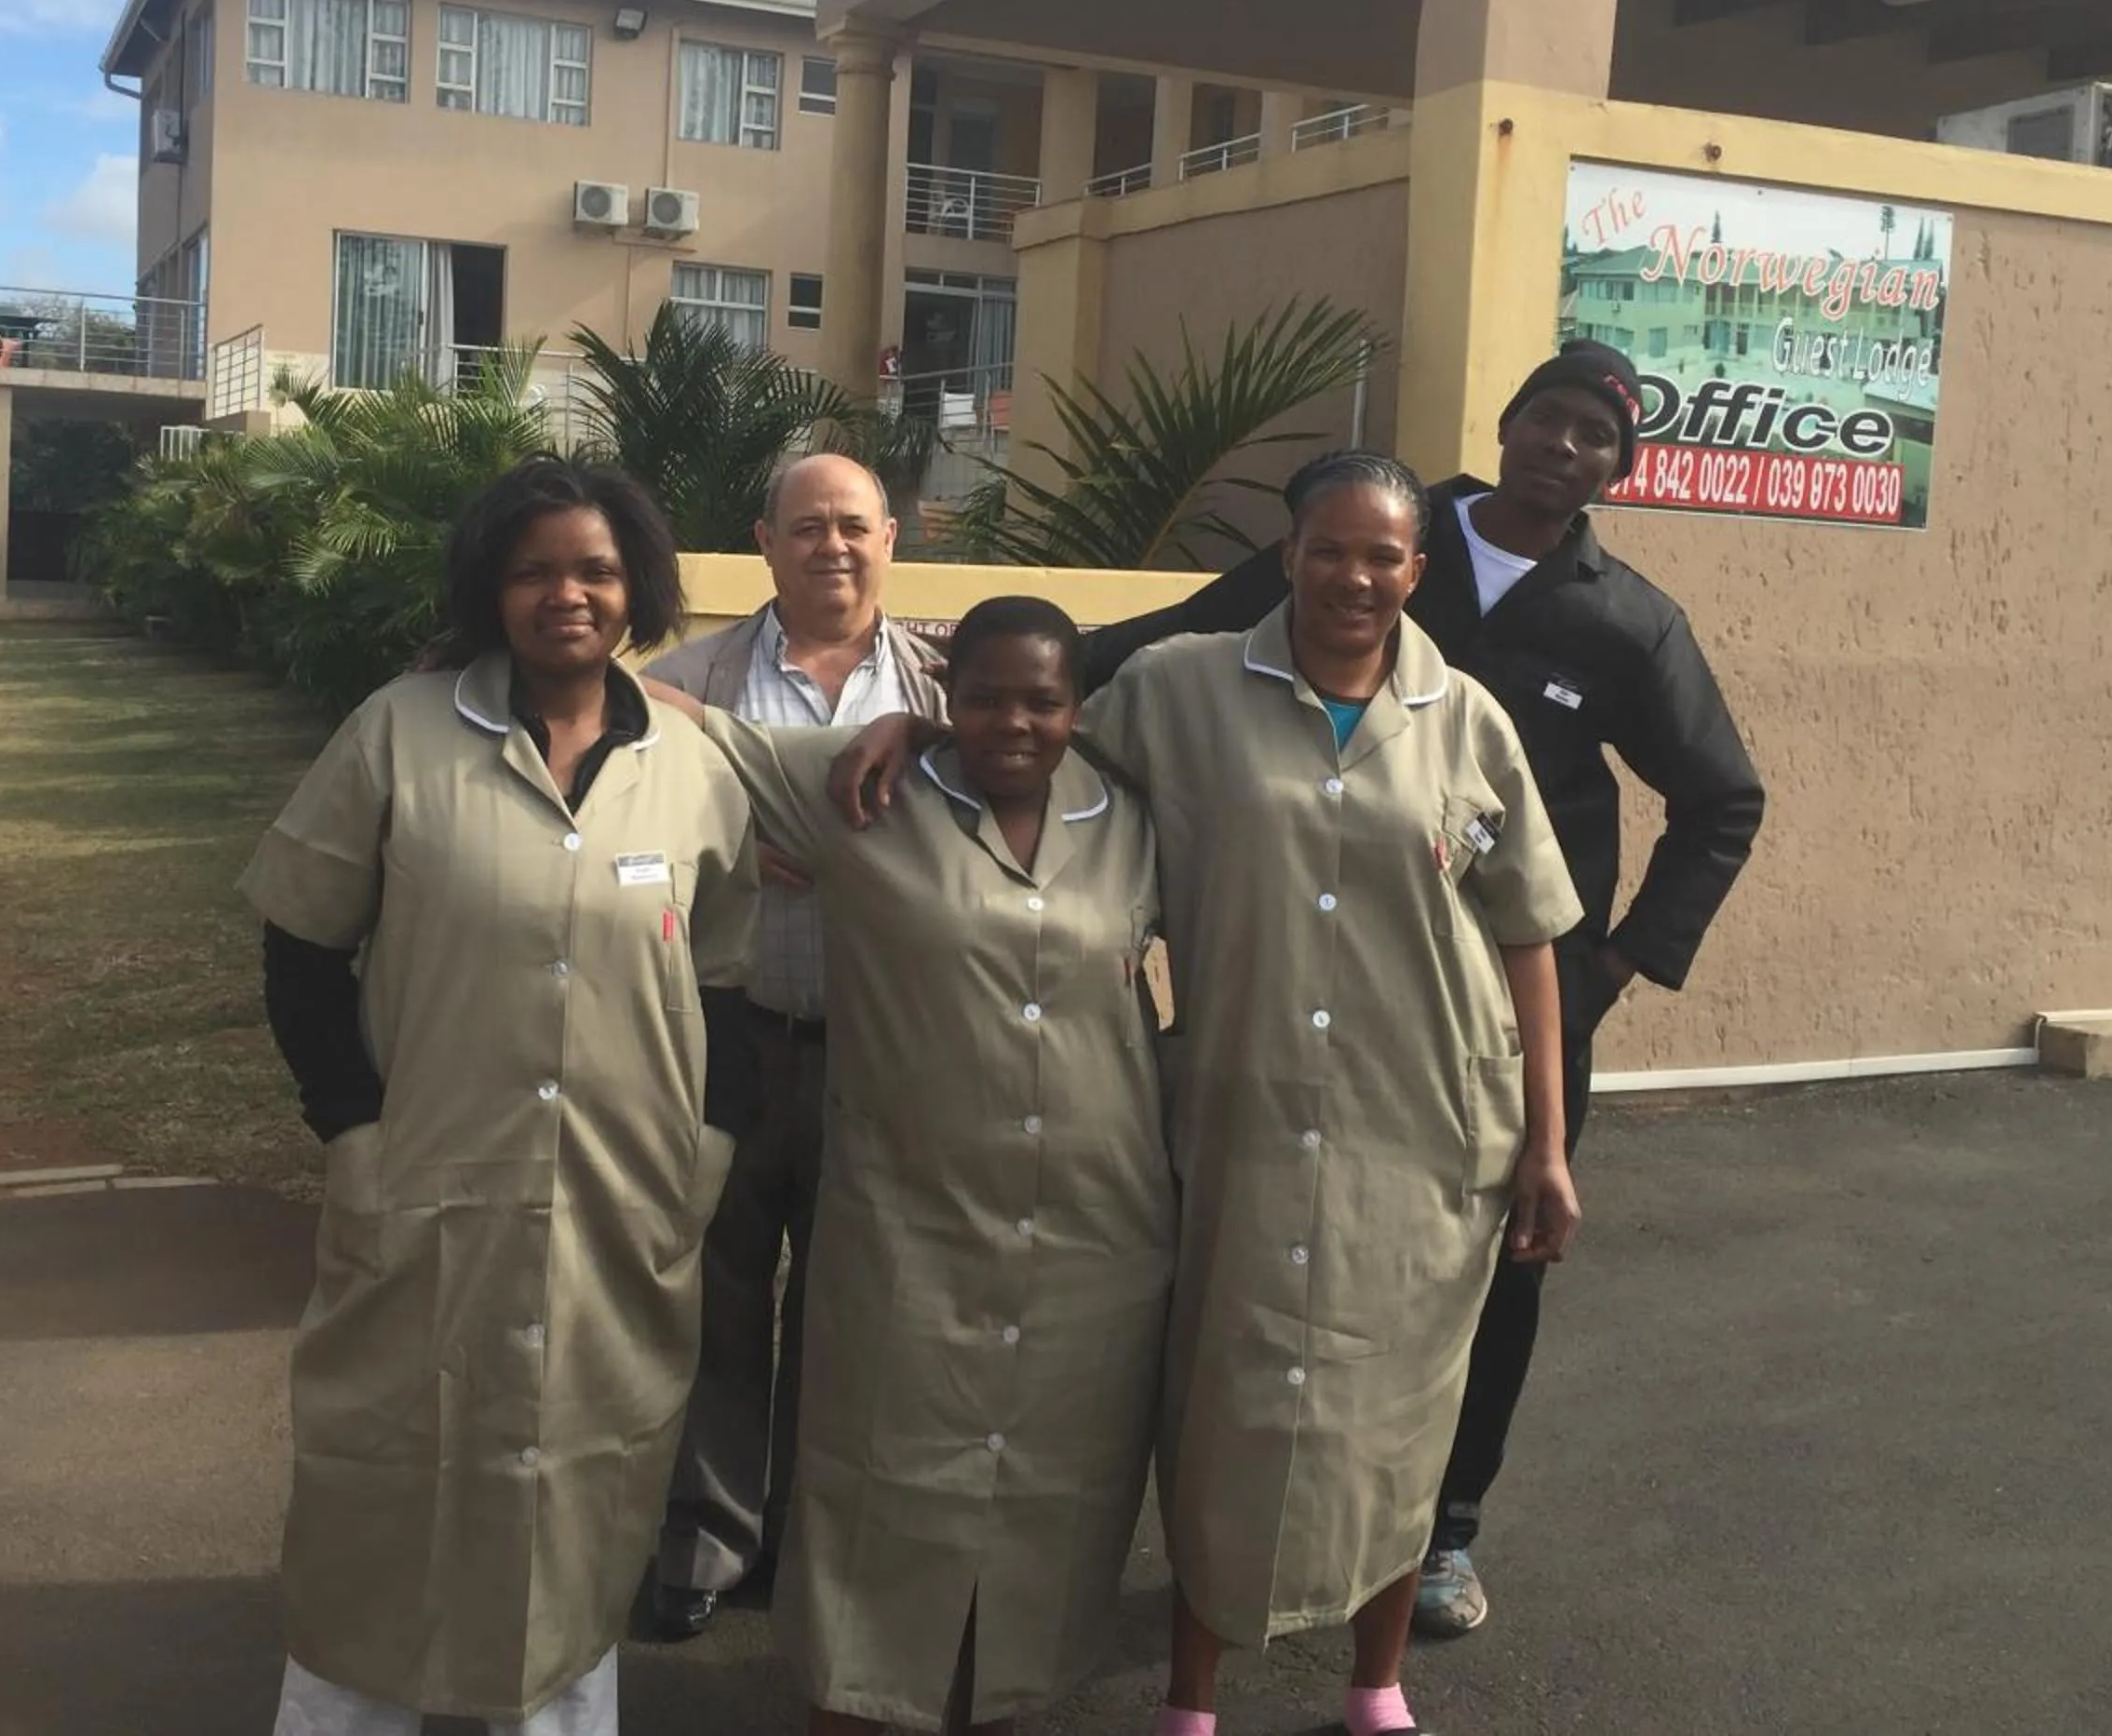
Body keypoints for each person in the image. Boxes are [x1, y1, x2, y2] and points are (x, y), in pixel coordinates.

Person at [838, 452, 1584, 1736]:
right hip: (1235, 1117)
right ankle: (1195, 1693)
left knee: (1405, 1409)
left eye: (1384, 555)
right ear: (1287, 555)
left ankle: (1376, 1677)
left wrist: (1548, 1141)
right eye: (1330, 549)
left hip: (1432, 1123)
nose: (1356, 575)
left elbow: (1526, 931)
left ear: (1416, 570)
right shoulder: (1181, 690)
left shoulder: (1468, 721)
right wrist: (920, 722)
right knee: (1223, 1407)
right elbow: (1037, 733)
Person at [1081, 342, 1765, 1639]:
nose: (1566, 446)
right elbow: (1186, 633)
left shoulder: (1626, 618)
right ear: (1506, 424)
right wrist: (1027, 662)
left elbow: (1724, 796)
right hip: (1310, 984)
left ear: (1620, 468)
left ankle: (1443, 1528)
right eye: (1548, 418)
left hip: (1508, 1005)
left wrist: (1612, 963)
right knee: (1268, 1257)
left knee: (1493, 1267)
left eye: (1598, 437)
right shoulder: (1380, 524)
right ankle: (1245, 1530)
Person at [245, 455, 760, 1736]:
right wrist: (349, 1126)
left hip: (615, 1207)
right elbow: (302, 945)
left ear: (637, 582)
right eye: (534, 569)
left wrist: (708, 1146)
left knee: (578, 1498)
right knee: (385, 1482)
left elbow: (729, 979)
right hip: (426, 1184)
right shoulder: (400, 732)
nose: (567, 594)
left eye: (594, 567)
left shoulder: (692, 764)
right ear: (491, 589)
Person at [648, 596, 1176, 1736]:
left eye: (1043, 700)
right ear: (943, 700)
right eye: (982, 698)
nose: (1014, 722)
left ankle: (1006, 1694)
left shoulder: (1134, 812)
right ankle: (860, 1701)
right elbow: (691, 727)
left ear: (1081, 710)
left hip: (1098, 1218)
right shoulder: (860, 795)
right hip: (909, 1216)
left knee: (1052, 1487)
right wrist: (520, 641)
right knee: (881, 1482)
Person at [635, 452, 948, 1642]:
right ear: (762, 541)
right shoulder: (683, 682)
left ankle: (815, 1533)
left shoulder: (940, 687)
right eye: (807, 527)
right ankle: (708, 1536)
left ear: (890, 541)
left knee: (849, 1302)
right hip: (731, 1037)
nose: (833, 548)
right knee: (715, 1295)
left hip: (881, 1049)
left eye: (855, 527)